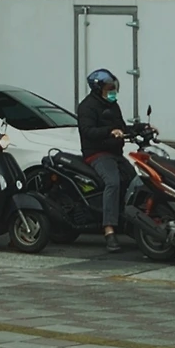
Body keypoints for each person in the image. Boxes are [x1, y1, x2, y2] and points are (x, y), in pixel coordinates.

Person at [76, 67, 130, 248]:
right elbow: (88, 131)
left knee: (134, 180)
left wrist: (142, 128)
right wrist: (109, 131)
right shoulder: (87, 107)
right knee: (113, 182)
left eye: (114, 87)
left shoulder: (112, 105)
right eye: (109, 88)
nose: (113, 91)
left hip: (116, 153)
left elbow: (122, 127)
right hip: (97, 154)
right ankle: (109, 229)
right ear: (98, 88)